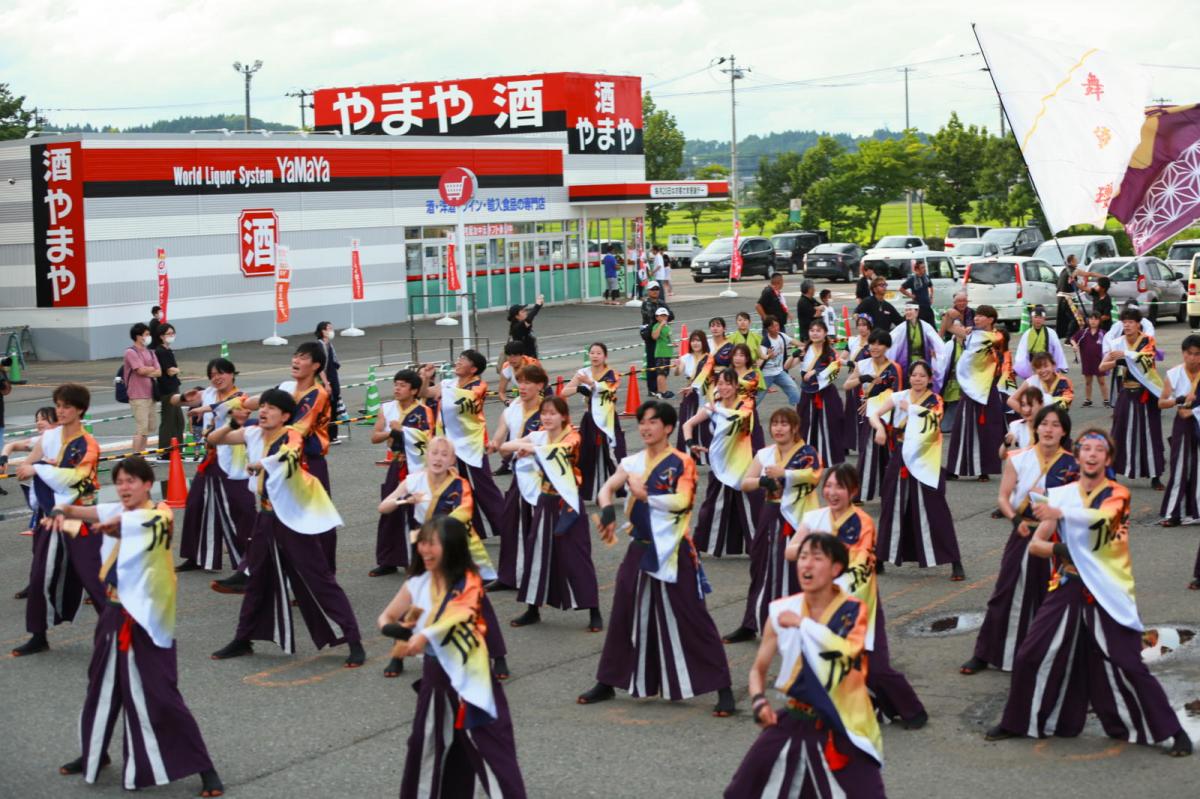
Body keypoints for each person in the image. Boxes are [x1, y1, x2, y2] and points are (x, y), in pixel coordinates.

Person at [985, 430, 1193, 758]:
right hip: (1069, 585)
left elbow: (1102, 520)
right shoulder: (1060, 495)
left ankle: (1172, 731)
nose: (1092, 454)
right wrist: (1060, 544)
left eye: (1100, 450)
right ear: (1079, 456)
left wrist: (1060, 515)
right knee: (1029, 653)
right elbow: (1038, 545)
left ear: (1107, 459)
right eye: (1086, 449)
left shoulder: (1118, 494)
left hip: (1108, 590)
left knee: (1128, 662)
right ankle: (1018, 721)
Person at [48, 457, 224, 796]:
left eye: (132, 480)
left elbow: (135, 522)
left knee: (162, 696)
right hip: (113, 615)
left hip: (145, 620)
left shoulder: (159, 515)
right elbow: (88, 513)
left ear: (147, 484)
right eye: (120, 481)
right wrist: (62, 512)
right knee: (101, 688)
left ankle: (204, 767)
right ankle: (94, 755)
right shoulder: (118, 510)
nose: (125, 487)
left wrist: (113, 526)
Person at [577, 401, 735, 716]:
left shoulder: (681, 462)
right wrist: (607, 510)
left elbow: (682, 500)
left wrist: (645, 494)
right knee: (623, 611)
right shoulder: (633, 461)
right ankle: (608, 680)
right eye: (642, 422)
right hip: (641, 547)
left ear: (668, 427)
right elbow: (606, 489)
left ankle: (723, 686)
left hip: (675, 549)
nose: (646, 428)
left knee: (692, 616)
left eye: (653, 422)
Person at [208, 388, 365, 667]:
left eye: (271, 408)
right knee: (257, 579)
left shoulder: (291, 434)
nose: (264, 411)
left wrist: (261, 463)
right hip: (266, 517)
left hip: (292, 518)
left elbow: (287, 456)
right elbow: (213, 440)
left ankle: (354, 640)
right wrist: (232, 423)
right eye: (263, 406)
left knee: (318, 578)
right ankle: (243, 639)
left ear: (285, 415)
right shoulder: (253, 431)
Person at [723, 532, 885, 797]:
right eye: (803, 557)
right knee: (743, 790)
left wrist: (803, 624)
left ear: (835, 568)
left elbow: (846, 650)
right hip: (795, 717)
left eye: (817, 558)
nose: (806, 565)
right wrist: (759, 701)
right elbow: (758, 670)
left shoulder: (853, 611)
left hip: (841, 722)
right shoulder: (781, 610)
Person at [381, 515, 528, 798]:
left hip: (472, 681)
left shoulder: (469, 582)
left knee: (493, 753)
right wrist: (393, 629)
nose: (424, 549)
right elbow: (387, 615)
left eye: (432, 544)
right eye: (422, 542)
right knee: (426, 749)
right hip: (436, 681)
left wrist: (424, 636)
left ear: (451, 547)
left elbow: (457, 613)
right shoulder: (418, 583)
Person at [786, 466, 929, 729]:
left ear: (853, 491)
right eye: (828, 486)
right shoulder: (814, 517)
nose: (831, 492)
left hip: (860, 604)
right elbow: (791, 550)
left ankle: (913, 710)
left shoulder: (862, 522)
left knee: (875, 666)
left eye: (839, 487)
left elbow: (857, 565)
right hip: (822, 604)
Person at [377, 436, 509, 679]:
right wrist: (405, 500)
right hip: (424, 549)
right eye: (434, 453)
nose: (438, 458)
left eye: (444, 454)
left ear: (452, 460)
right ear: (426, 455)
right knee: (416, 601)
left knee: (477, 602)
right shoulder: (414, 480)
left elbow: (465, 512)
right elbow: (383, 506)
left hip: (453, 548)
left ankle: (497, 656)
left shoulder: (460, 485)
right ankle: (398, 654)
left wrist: (438, 532)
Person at [961, 405, 1077, 675]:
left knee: (1049, 594)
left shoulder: (1073, 464)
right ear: (1035, 428)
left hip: (1053, 536)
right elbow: (1002, 497)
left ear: (1064, 432)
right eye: (1044, 423)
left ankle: (1046, 656)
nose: (1048, 429)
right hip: (1022, 530)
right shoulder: (1018, 458)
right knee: (1005, 591)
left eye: (1055, 425)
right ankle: (985, 653)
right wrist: (1014, 520)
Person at [11, 383, 104, 657]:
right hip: (50, 518)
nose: (61, 411)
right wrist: (38, 467)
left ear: (80, 410)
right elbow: (24, 468)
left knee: (93, 575)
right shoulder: (49, 438)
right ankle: (38, 635)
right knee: (40, 575)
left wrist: (40, 468)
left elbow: (74, 478)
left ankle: (120, 632)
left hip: (79, 517)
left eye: (67, 406)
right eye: (59, 406)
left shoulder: (88, 444)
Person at [501, 395, 602, 631]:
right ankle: (532, 608)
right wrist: (525, 446)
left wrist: (531, 449)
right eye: (544, 413)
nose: (547, 417)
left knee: (576, 555)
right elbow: (506, 447)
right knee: (536, 551)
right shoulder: (539, 435)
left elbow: (559, 450)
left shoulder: (572, 436)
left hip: (567, 501)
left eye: (552, 413)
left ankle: (593, 609)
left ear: (563, 416)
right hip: (545, 500)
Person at [722, 407, 822, 644]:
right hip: (771, 513)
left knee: (799, 570)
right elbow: (745, 483)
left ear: (795, 427)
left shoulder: (806, 452)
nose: (778, 428)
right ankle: (753, 622)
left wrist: (785, 473)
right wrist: (763, 481)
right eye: (775, 424)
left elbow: (814, 475)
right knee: (761, 567)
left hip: (799, 517)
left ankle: (804, 622)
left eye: (784, 424)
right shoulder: (764, 454)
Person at [871, 360, 965, 580]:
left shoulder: (935, 400)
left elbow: (934, 418)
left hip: (925, 459)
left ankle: (954, 560)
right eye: (914, 375)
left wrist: (910, 409)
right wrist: (880, 430)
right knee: (891, 505)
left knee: (935, 508)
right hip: (900, 457)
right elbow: (875, 414)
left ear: (930, 379)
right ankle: (881, 557)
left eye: (923, 376)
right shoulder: (899, 396)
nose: (918, 379)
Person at [173, 358, 255, 573]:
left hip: (233, 459)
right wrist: (183, 397)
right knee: (196, 503)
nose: (217, 378)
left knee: (242, 509)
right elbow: (174, 401)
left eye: (221, 373)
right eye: (212, 374)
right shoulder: (208, 392)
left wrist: (202, 409)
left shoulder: (240, 396)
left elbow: (225, 407)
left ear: (232, 374)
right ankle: (197, 556)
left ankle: (253, 558)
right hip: (211, 457)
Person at [419, 351, 509, 538]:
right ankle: (473, 530)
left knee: (485, 487)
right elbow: (424, 393)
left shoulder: (479, 386)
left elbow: (464, 397)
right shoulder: (447, 384)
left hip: (472, 443)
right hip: (449, 445)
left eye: (463, 360)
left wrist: (441, 390)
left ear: (474, 368)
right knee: (458, 487)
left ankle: (506, 527)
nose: (458, 362)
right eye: (458, 358)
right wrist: (425, 379)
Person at [685, 368, 762, 557]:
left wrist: (715, 409)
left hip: (743, 463)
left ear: (736, 385)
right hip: (720, 463)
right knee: (712, 504)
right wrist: (691, 443)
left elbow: (738, 416)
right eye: (720, 383)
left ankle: (759, 547)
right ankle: (703, 545)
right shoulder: (713, 406)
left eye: (728, 383)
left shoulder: (746, 404)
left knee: (751, 505)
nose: (724, 387)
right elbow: (688, 424)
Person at [487, 363, 548, 591]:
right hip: (519, 477)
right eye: (520, 382)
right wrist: (494, 444)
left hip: (543, 479)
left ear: (540, 385)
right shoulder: (511, 410)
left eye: (528, 383)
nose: (522, 387)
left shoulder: (548, 411)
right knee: (511, 525)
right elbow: (500, 439)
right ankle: (508, 576)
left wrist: (507, 447)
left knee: (542, 530)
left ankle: (542, 575)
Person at [368, 369, 434, 577]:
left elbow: (428, 438)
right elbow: (375, 437)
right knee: (390, 512)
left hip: (417, 467)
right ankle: (388, 559)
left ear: (414, 390)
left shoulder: (424, 411)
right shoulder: (387, 409)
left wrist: (403, 431)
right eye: (396, 384)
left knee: (415, 513)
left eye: (403, 385)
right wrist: (392, 432)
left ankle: (416, 559)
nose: (397, 388)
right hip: (397, 465)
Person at [1099, 308, 1165, 490]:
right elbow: (1102, 366)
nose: (1127, 325)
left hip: (1146, 393)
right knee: (1118, 433)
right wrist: (1117, 361)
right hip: (1126, 393)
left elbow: (1147, 358)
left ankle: (1155, 476)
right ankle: (1111, 474)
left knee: (1151, 434)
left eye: (1131, 322)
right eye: (1124, 322)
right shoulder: (1117, 343)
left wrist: (1125, 356)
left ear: (1138, 324)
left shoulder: (1147, 340)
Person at [562, 342, 628, 502]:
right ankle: (595, 490)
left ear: (605, 356)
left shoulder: (612, 374)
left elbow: (608, 389)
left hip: (608, 419)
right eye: (592, 353)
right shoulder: (583, 372)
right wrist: (578, 388)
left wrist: (590, 384)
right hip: (590, 419)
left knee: (614, 452)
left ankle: (627, 487)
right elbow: (564, 392)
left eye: (598, 353)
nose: (595, 356)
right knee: (587, 455)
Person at [947, 304, 1006, 481]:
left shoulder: (996, 338)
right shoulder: (972, 335)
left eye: (981, 316)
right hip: (970, 386)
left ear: (991, 319)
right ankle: (955, 467)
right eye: (976, 315)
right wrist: (949, 317)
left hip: (987, 387)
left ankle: (984, 469)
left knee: (988, 430)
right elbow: (949, 328)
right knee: (962, 426)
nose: (977, 318)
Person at [843, 329, 902, 502]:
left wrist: (875, 401)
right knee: (867, 452)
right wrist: (864, 378)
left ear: (887, 347)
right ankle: (860, 492)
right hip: (868, 416)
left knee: (888, 453)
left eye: (880, 344)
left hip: (888, 415)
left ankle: (889, 492)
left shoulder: (894, 367)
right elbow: (847, 385)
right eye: (872, 343)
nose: (875, 347)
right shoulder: (862, 364)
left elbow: (897, 393)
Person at [1158, 334, 1200, 530]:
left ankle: (1196, 510)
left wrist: (1194, 410)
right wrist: (1179, 399)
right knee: (1180, 467)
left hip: (1196, 418)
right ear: (1183, 354)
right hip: (1182, 424)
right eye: (1189, 354)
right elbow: (1161, 402)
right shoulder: (1173, 374)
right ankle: (1174, 512)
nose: (1193, 358)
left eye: (1198, 354)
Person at [0, 405, 57, 544]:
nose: (39, 422)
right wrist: (3, 458)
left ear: (57, 421)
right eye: (37, 419)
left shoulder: (64, 441)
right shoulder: (37, 441)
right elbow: (11, 445)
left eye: (44, 419)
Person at [795, 319, 845, 467]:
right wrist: (795, 355)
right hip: (807, 393)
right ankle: (806, 457)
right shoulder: (805, 350)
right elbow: (786, 366)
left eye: (818, 330)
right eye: (812, 330)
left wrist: (815, 372)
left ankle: (829, 457)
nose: (815, 333)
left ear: (825, 333)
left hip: (826, 393)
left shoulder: (830, 352)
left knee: (830, 424)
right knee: (805, 424)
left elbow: (835, 370)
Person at [938, 291, 976, 433]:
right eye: (958, 301)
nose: (961, 303)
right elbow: (946, 328)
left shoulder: (973, 313)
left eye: (964, 300)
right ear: (954, 302)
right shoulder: (949, 316)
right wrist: (939, 339)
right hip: (953, 348)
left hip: (969, 345)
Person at [674, 330, 714, 456]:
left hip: (706, 394)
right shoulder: (686, 358)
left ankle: (709, 455)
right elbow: (677, 372)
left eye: (698, 340)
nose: (695, 343)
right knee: (687, 423)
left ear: (703, 342)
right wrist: (677, 366)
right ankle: (686, 457)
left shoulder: (709, 358)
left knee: (706, 427)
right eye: (693, 341)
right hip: (690, 395)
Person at [123, 322, 161, 456]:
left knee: (149, 428)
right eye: (146, 334)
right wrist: (150, 369)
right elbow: (140, 370)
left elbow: (159, 371)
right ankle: (136, 456)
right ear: (138, 336)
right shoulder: (130, 352)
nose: (149, 336)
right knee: (141, 428)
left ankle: (142, 455)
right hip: (137, 395)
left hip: (150, 394)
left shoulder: (150, 352)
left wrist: (148, 370)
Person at [888, 302, 947, 385]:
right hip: (906, 363)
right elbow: (890, 341)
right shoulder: (901, 328)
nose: (907, 312)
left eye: (910, 310)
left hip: (922, 360)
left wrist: (937, 354)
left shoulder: (926, 327)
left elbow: (938, 343)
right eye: (906, 310)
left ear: (917, 311)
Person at [840, 314, 874, 454]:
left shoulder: (874, 343)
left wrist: (849, 363)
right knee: (850, 411)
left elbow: (872, 363)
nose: (861, 327)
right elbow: (842, 356)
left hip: (867, 381)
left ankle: (864, 442)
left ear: (870, 326)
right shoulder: (852, 340)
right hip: (853, 381)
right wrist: (840, 361)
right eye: (859, 324)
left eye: (864, 324)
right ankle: (847, 443)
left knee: (864, 413)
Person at [153, 322, 184, 461]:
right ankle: (165, 450)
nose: (171, 336)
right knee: (168, 420)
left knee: (178, 420)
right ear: (161, 336)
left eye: (173, 333)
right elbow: (170, 370)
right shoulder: (161, 351)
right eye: (168, 334)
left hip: (174, 387)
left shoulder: (167, 350)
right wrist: (178, 370)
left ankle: (178, 447)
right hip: (167, 390)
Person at [1013, 305, 1068, 380]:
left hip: (1047, 366)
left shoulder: (1051, 333)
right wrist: (1019, 367)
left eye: (1040, 317)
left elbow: (1058, 351)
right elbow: (1022, 353)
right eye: (1035, 317)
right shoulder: (1027, 334)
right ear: (1031, 318)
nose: (1038, 320)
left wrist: (1060, 367)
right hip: (1033, 367)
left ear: (1044, 319)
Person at [759, 315, 801, 406]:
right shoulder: (765, 342)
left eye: (777, 325)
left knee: (793, 389)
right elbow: (760, 360)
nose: (776, 328)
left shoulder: (781, 336)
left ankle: (799, 410)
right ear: (767, 329)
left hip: (779, 372)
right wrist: (767, 356)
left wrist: (806, 346)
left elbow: (795, 342)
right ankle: (747, 414)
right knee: (757, 398)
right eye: (772, 326)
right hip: (766, 375)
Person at [639, 281, 673, 395]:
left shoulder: (662, 302)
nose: (655, 291)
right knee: (651, 362)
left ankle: (660, 388)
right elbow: (652, 318)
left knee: (661, 361)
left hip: (662, 337)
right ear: (648, 291)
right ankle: (652, 389)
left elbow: (671, 315)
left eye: (657, 289)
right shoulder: (646, 303)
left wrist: (662, 317)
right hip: (650, 335)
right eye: (652, 289)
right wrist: (662, 316)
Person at [1071, 311, 1109, 407]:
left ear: (1099, 321)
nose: (1093, 321)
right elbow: (1073, 339)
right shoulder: (1083, 333)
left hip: (1100, 362)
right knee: (1088, 382)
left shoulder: (1103, 333)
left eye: (1095, 319)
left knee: (1102, 381)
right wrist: (1075, 345)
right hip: (1087, 361)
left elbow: (1110, 343)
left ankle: (1106, 400)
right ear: (1088, 320)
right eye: (1091, 319)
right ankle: (1088, 399)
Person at [315, 321, 343, 445]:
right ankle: (324, 435)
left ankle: (332, 435)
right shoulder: (319, 346)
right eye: (329, 328)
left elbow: (335, 364)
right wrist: (326, 383)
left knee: (333, 407)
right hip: (324, 381)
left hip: (333, 379)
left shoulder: (329, 345)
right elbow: (320, 367)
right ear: (323, 331)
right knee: (325, 408)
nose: (332, 330)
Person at [1002, 385, 1044, 456]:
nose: (1026, 409)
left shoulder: (1049, 426)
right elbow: (1003, 455)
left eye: (1031, 405)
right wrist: (1006, 444)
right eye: (1023, 405)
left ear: (1041, 405)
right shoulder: (1016, 426)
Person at [900, 258, 935, 326]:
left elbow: (931, 286)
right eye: (922, 268)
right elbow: (901, 289)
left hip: (927, 305)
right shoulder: (912, 279)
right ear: (917, 269)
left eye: (924, 267)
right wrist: (910, 295)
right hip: (917, 306)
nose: (924, 269)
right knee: (919, 325)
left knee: (931, 325)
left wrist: (931, 297)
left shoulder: (926, 277)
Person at [507, 294, 545, 358]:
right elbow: (529, 319)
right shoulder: (517, 327)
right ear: (516, 316)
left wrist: (539, 305)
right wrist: (537, 306)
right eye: (523, 311)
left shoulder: (520, 325)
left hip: (530, 359)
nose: (526, 312)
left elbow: (529, 319)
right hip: (525, 360)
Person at [650, 306, 675, 398]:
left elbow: (668, 339)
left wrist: (673, 344)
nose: (664, 318)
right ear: (657, 317)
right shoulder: (657, 326)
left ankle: (660, 391)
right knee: (661, 373)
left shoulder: (668, 327)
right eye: (661, 316)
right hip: (661, 353)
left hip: (667, 352)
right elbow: (654, 337)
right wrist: (660, 326)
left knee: (665, 373)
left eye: (665, 316)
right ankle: (664, 391)